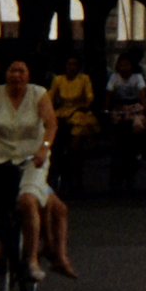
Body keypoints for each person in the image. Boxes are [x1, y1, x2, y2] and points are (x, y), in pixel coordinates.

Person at [0, 59, 75, 281]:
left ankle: (31, 259)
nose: (16, 74)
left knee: (27, 201)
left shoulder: (38, 94)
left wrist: (44, 148)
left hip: (31, 158)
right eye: (12, 69)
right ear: (5, 73)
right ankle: (3, 244)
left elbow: (51, 124)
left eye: (21, 70)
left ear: (28, 74)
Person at [48, 51, 99, 194]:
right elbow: (50, 96)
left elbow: (89, 96)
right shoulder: (58, 80)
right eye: (69, 64)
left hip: (78, 114)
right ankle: (52, 179)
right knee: (53, 147)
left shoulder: (84, 79)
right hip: (62, 113)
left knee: (75, 149)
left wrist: (86, 104)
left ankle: (76, 180)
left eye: (75, 64)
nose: (72, 67)